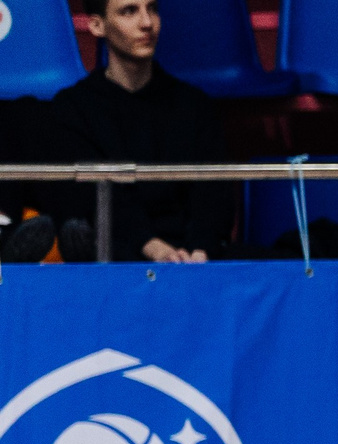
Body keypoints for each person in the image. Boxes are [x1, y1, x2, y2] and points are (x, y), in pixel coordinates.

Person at [40, 0, 233, 264]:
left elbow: (214, 195)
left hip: (194, 258)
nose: (147, 23)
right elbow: (88, 201)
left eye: (152, 9)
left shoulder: (194, 105)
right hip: (118, 255)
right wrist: (153, 248)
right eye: (129, 11)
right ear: (97, 26)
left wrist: (201, 250)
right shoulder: (74, 108)